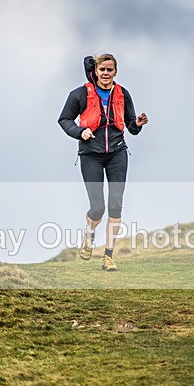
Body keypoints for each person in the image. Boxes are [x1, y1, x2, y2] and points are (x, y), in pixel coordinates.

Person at [58, 53, 148, 271]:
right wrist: (80, 132)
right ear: (96, 72)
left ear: (115, 71)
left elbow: (131, 127)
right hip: (91, 154)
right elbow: (64, 120)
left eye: (110, 70)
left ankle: (108, 257)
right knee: (98, 208)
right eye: (102, 70)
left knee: (116, 205)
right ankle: (89, 235)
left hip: (117, 153)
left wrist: (137, 123)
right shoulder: (80, 94)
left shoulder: (122, 94)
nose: (106, 73)